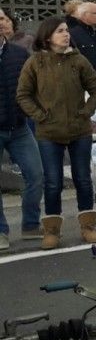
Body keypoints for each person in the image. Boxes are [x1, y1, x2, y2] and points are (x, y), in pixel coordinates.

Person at [15, 16, 96, 249]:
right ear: (47, 37)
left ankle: (88, 227)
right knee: (53, 182)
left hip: (79, 130)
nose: (66, 34)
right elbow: (23, 95)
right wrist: (41, 116)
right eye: (60, 31)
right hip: (49, 133)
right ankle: (52, 230)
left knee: (83, 179)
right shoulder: (35, 62)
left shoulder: (79, 60)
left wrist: (86, 112)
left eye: (66, 30)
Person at [0, 14, 42, 249]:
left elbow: (33, 87)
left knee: (36, 175)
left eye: (2, 18)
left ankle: (30, 224)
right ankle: (0, 231)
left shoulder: (18, 54)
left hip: (19, 127)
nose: (0, 22)